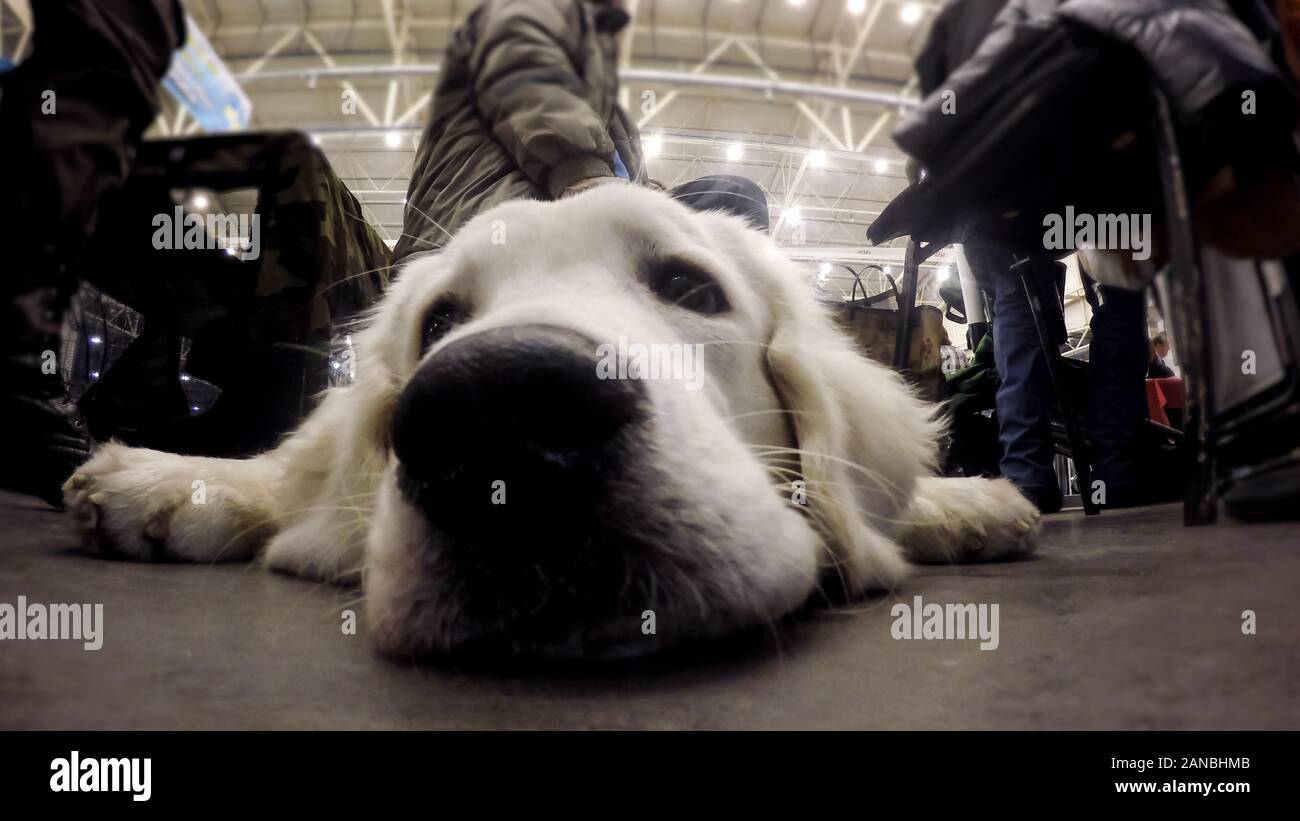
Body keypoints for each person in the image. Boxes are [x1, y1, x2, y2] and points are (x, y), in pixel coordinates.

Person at [392, 0, 767, 267]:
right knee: (731, 202)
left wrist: (649, 193)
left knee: (732, 199)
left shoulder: (598, 96)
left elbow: (619, 178)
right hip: (487, 237)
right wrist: (586, 174)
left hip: (569, 224)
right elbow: (533, 91)